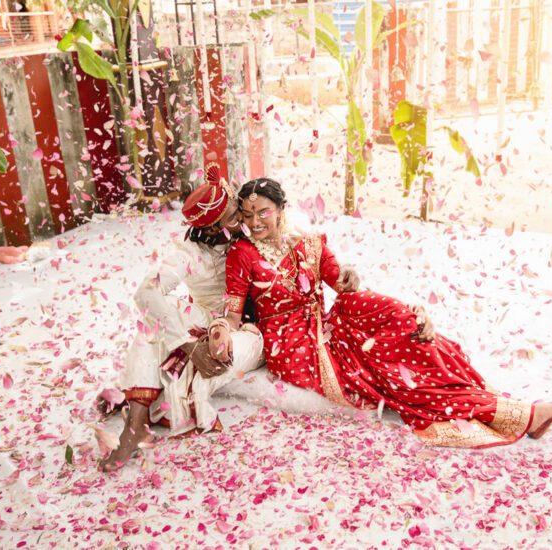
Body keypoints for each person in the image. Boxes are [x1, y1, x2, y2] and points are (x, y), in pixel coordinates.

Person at [221, 178, 552, 449]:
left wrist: (350, 278)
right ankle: (517, 414)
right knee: (385, 369)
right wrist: (220, 331)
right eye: (249, 215)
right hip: (292, 344)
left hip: (323, 322)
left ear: (281, 209)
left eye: (264, 212)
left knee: (389, 319)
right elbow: (233, 312)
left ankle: (428, 339)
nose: (256, 222)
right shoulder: (242, 254)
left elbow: (341, 284)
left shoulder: (307, 241)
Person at [100, 174, 362, 471]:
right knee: (151, 327)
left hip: (251, 331)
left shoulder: (258, 231)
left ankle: (155, 396)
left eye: (244, 209)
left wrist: (344, 271)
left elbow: (308, 250)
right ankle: (135, 423)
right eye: (237, 215)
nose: (247, 218)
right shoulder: (190, 254)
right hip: (211, 318)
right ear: (213, 227)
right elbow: (146, 292)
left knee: (217, 350)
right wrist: (186, 344)